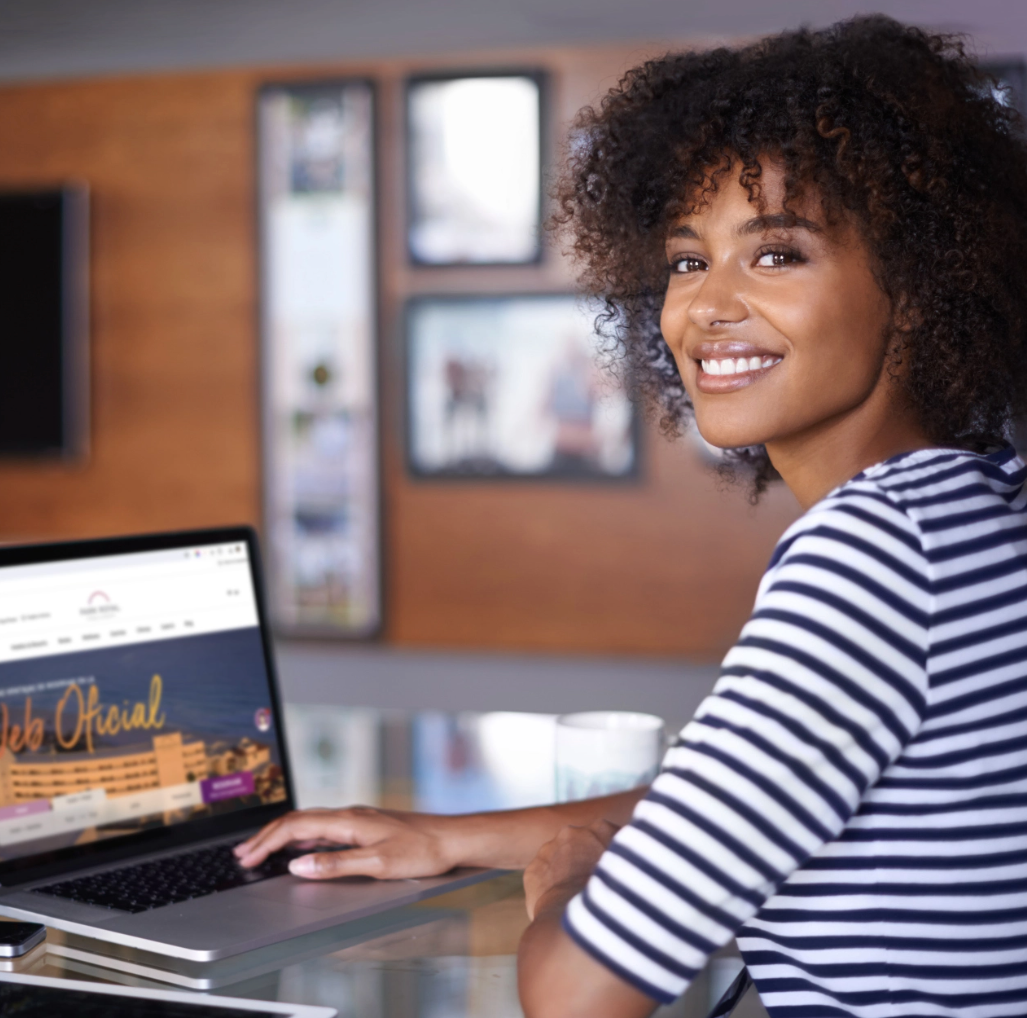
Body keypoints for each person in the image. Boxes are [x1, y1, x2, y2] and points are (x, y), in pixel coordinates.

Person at [238, 16, 1027, 1017]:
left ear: (917, 290)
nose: (706, 308)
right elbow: (741, 804)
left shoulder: (870, 555)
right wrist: (447, 836)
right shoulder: (974, 506)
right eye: (688, 260)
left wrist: (564, 884)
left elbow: (576, 995)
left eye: (777, 254)